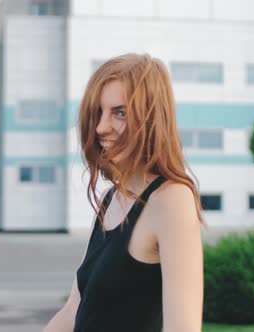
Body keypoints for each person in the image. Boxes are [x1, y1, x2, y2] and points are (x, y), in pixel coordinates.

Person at [43, 53, 206, 332]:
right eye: (98, 113)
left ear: (152, 119)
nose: (101, 128)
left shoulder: (172, 199)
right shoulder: (110, 199)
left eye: (120, 113)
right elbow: (74, 310)